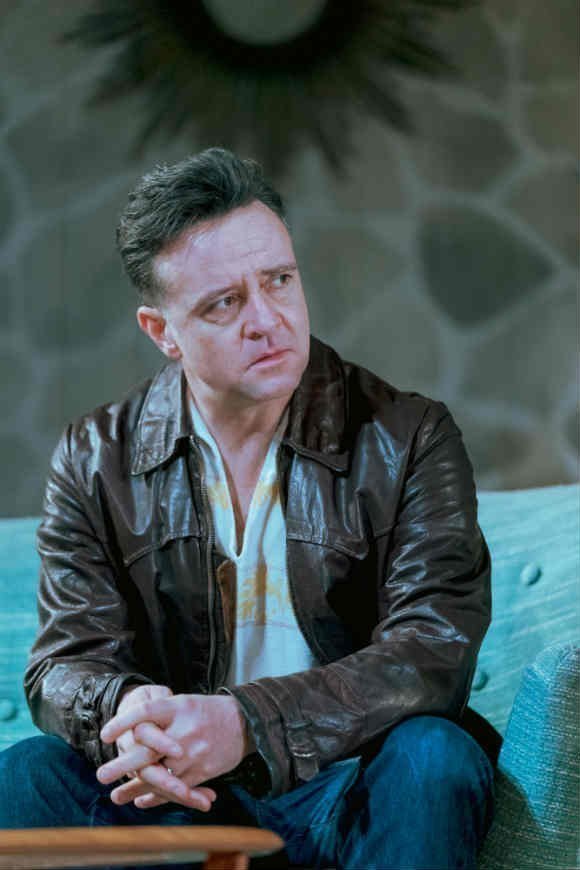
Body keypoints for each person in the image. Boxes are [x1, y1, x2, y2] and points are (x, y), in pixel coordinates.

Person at [0, 147, 500, 869]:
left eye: (279, 280)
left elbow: (433, 649)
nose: (268, 320)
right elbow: (66, 660)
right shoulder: (95, 455)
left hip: (353, 782)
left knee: (434, 755)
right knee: (27, 774)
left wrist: (247, 724)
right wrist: (127, 713)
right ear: (162, 332)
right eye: (224, 303)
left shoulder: (410, 436)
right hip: (179, 796)